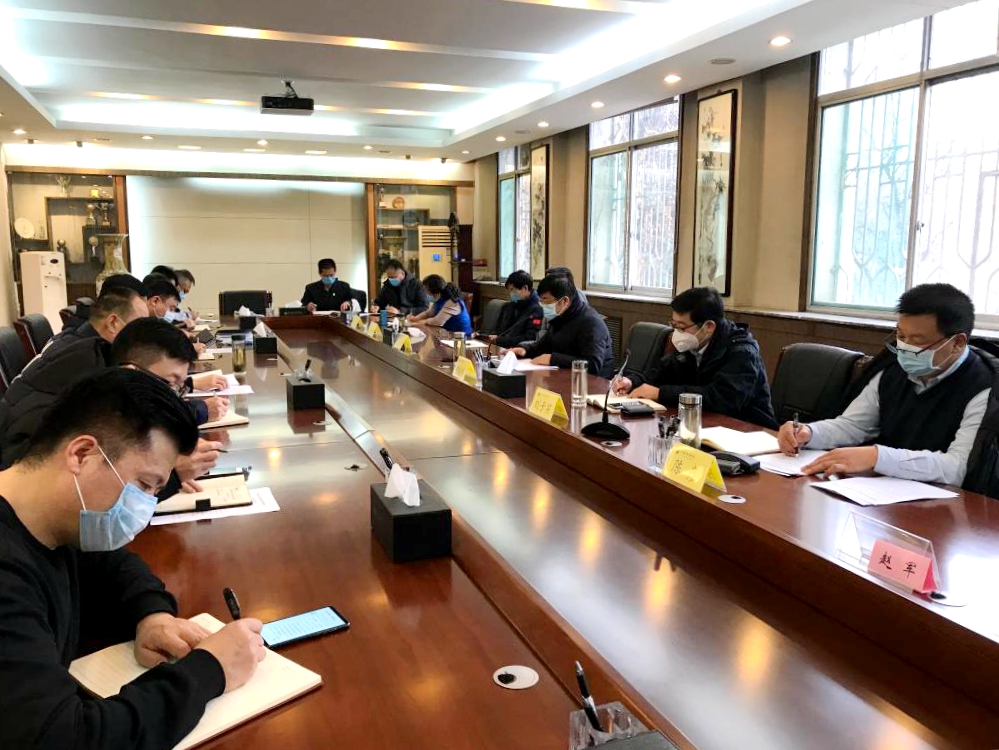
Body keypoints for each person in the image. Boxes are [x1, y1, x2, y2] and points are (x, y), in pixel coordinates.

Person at [0, 368, 266, 750]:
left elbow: (113, 566)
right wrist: (210, 670)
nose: (145, 505)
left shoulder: (53, 520)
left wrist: (151, 615)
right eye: (144, 485)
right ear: (82, 454)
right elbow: (68, 739)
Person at [777, 284, 995, 486]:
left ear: (957, 343)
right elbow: (855, 425)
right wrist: (808, 432)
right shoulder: (892, 368)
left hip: (946, 505)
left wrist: (878, 457)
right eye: (901, 336)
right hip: (882, 491)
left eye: (918, 341)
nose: (905, 348)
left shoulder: (985, 387)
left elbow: (959, 467)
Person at [0, 318, 227, 474]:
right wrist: (168, 474)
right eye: (170, 384)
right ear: (132, 370)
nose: (173, 397)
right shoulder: (85, 397)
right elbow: (86, 487)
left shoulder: (104, 364)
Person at [613, 287, 777, 428]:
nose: (677, 333)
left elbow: (722, 399)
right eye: (674, 325)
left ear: (709, 327)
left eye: (682, 327)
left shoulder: (742, 352)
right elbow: (661, 372)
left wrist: (661, 393)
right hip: (703, 424)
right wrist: (633, 382)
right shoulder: (692, 343)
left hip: (747, 431)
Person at [509, 274, 613, 377]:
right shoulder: (559, 317)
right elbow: (543, 346)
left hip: (593, 382)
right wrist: (525, 350)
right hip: (563, 376)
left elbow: (593, 364)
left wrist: (553, 359)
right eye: (541, 301)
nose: (543, 305)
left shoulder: (591, 322)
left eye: (546, 300)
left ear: (564, 301)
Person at [45, 286, 150, 354]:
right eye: (139, 328)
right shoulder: (86, 359)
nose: (142, 338)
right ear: (113, 323)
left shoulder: (73, 339)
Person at [489, 270, 543, 348]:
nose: (511, 294)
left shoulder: (537, 309)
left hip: (519, 350)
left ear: (525, 288)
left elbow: (529, 339)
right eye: (510, 290)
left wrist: (500, 340)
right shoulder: (513, 304)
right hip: (502, 346)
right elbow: (501, 329)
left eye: (513, 290)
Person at [407, 275, 472, 335]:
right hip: (447, 333)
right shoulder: (440, 298)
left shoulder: (453, 301)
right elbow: (428, 313)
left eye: (426, 288)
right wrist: (415, 318)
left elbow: (438, 321)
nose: (424, 291)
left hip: (461, 336)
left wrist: (421, 322)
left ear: (432, 289)